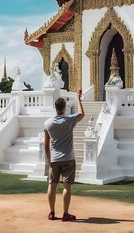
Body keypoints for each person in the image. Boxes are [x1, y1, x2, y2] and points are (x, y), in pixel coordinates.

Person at [44, 89, 85, 222]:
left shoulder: (48, 123)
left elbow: (46, 144)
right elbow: (82, 114)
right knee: (66, 186)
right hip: (68, 158)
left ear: (55, 108)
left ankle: (51, 213)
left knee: (52, 185)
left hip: (55, 159)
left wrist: (49, 160)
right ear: (64, 108)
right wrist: (78, 98)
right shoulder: (69, 120)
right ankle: (65, 214)